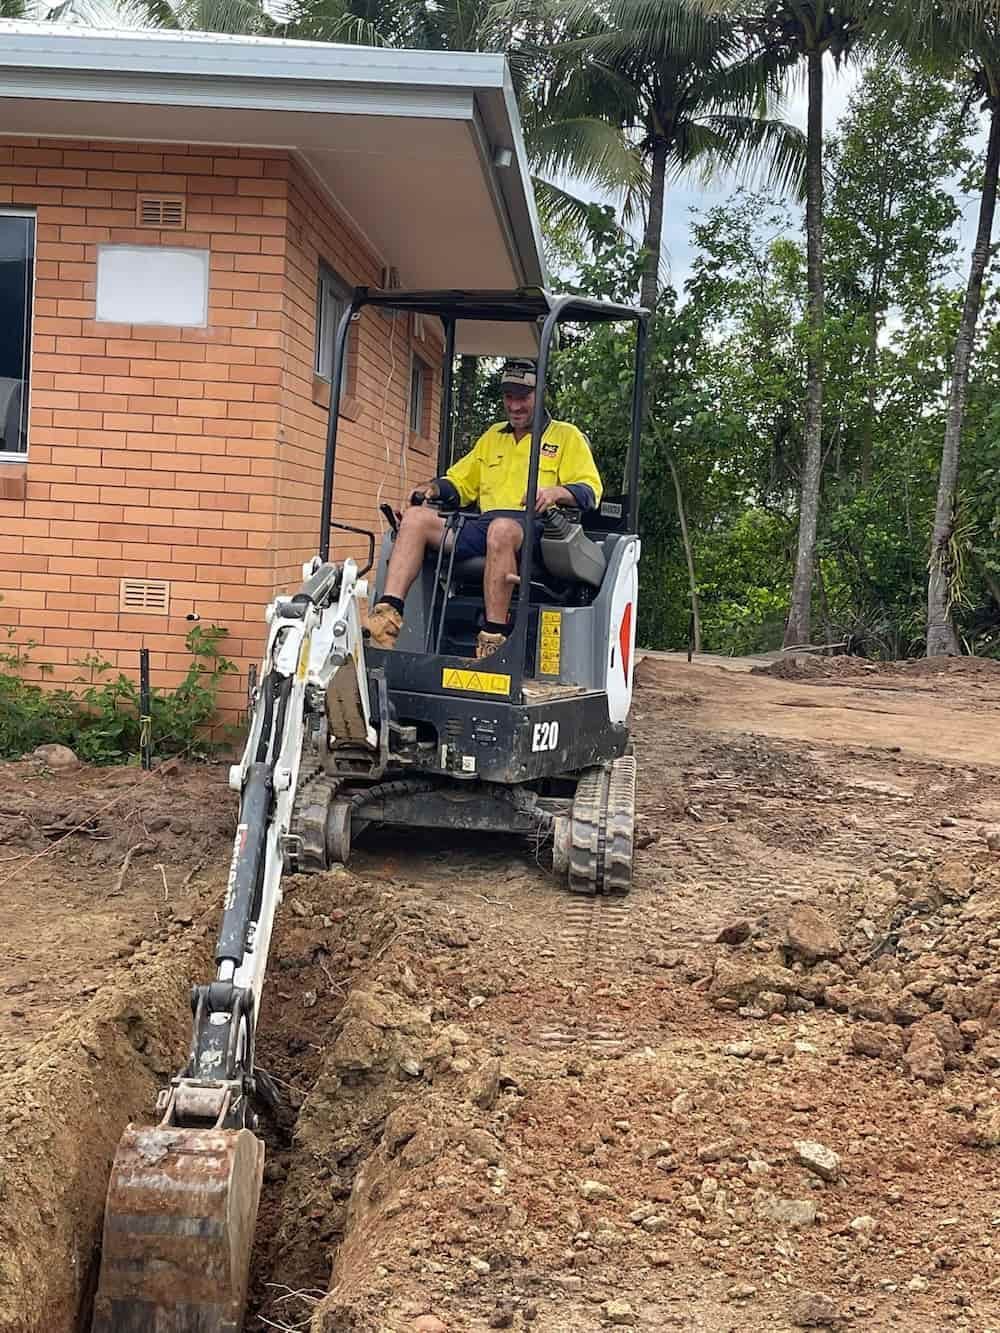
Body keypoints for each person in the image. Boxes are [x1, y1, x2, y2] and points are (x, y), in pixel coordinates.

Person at [367, 359, 603, 659]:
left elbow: (590, 490)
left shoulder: (565, 436)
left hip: (539, 530)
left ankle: (492, 638)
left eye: (523, 396)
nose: (515, 405)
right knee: (415, 519)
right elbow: (460, 482)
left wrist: (558, 491)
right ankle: (387, 619)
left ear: (541, 393)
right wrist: (433, 488)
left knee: (501, 530)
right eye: (509, 396)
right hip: (484, 524)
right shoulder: (493, 437)